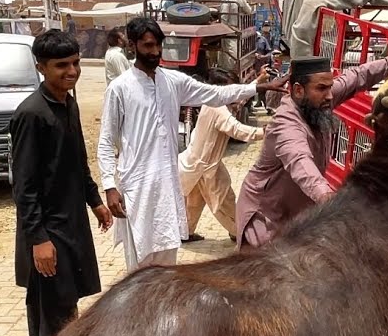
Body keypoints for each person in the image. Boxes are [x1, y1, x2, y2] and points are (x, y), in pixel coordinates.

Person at [99, 17, 287, 271]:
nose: (155, 52)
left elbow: (216, 94)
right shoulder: (119, 88)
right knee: (139, 268)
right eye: (148, 45)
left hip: (167, 186)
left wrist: (260, 87)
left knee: (167, 262)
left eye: (158, 45)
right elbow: (106, 141)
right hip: (136, 187)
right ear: (132, 46)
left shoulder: (172, 81)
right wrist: (110, 186)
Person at [235, 29, 388, 248]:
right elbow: (300, 162)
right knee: (267, 266)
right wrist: (328, 197)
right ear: (298, 90)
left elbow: (359, 75)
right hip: (266, 217)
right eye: (322, 88)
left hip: (297, 213)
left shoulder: (320, 99)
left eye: (330, 87)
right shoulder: (286, 124)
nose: (330, 96)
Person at [10, 30, 113, 336]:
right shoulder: (31, 114)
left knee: (67, 302)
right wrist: (38, 239)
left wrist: (95, 201)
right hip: (46, 230)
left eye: (75, 63)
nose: (71, 71)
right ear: (41, 67)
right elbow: (24, 187)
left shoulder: (68, 104)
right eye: (61, 66)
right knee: (49, 307)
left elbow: (77, 161)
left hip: (71, 222)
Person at [179, 69, 265, 242]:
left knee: (194, 201)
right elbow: (237, 130)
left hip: (196, 163)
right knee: (224, 200)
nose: (233, 92)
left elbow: (240, 96)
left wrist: (259, 80)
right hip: (205, 166)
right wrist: (263, 132)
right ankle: (239, 232)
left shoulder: (214, 102)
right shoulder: (217, 108)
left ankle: (185, 233)